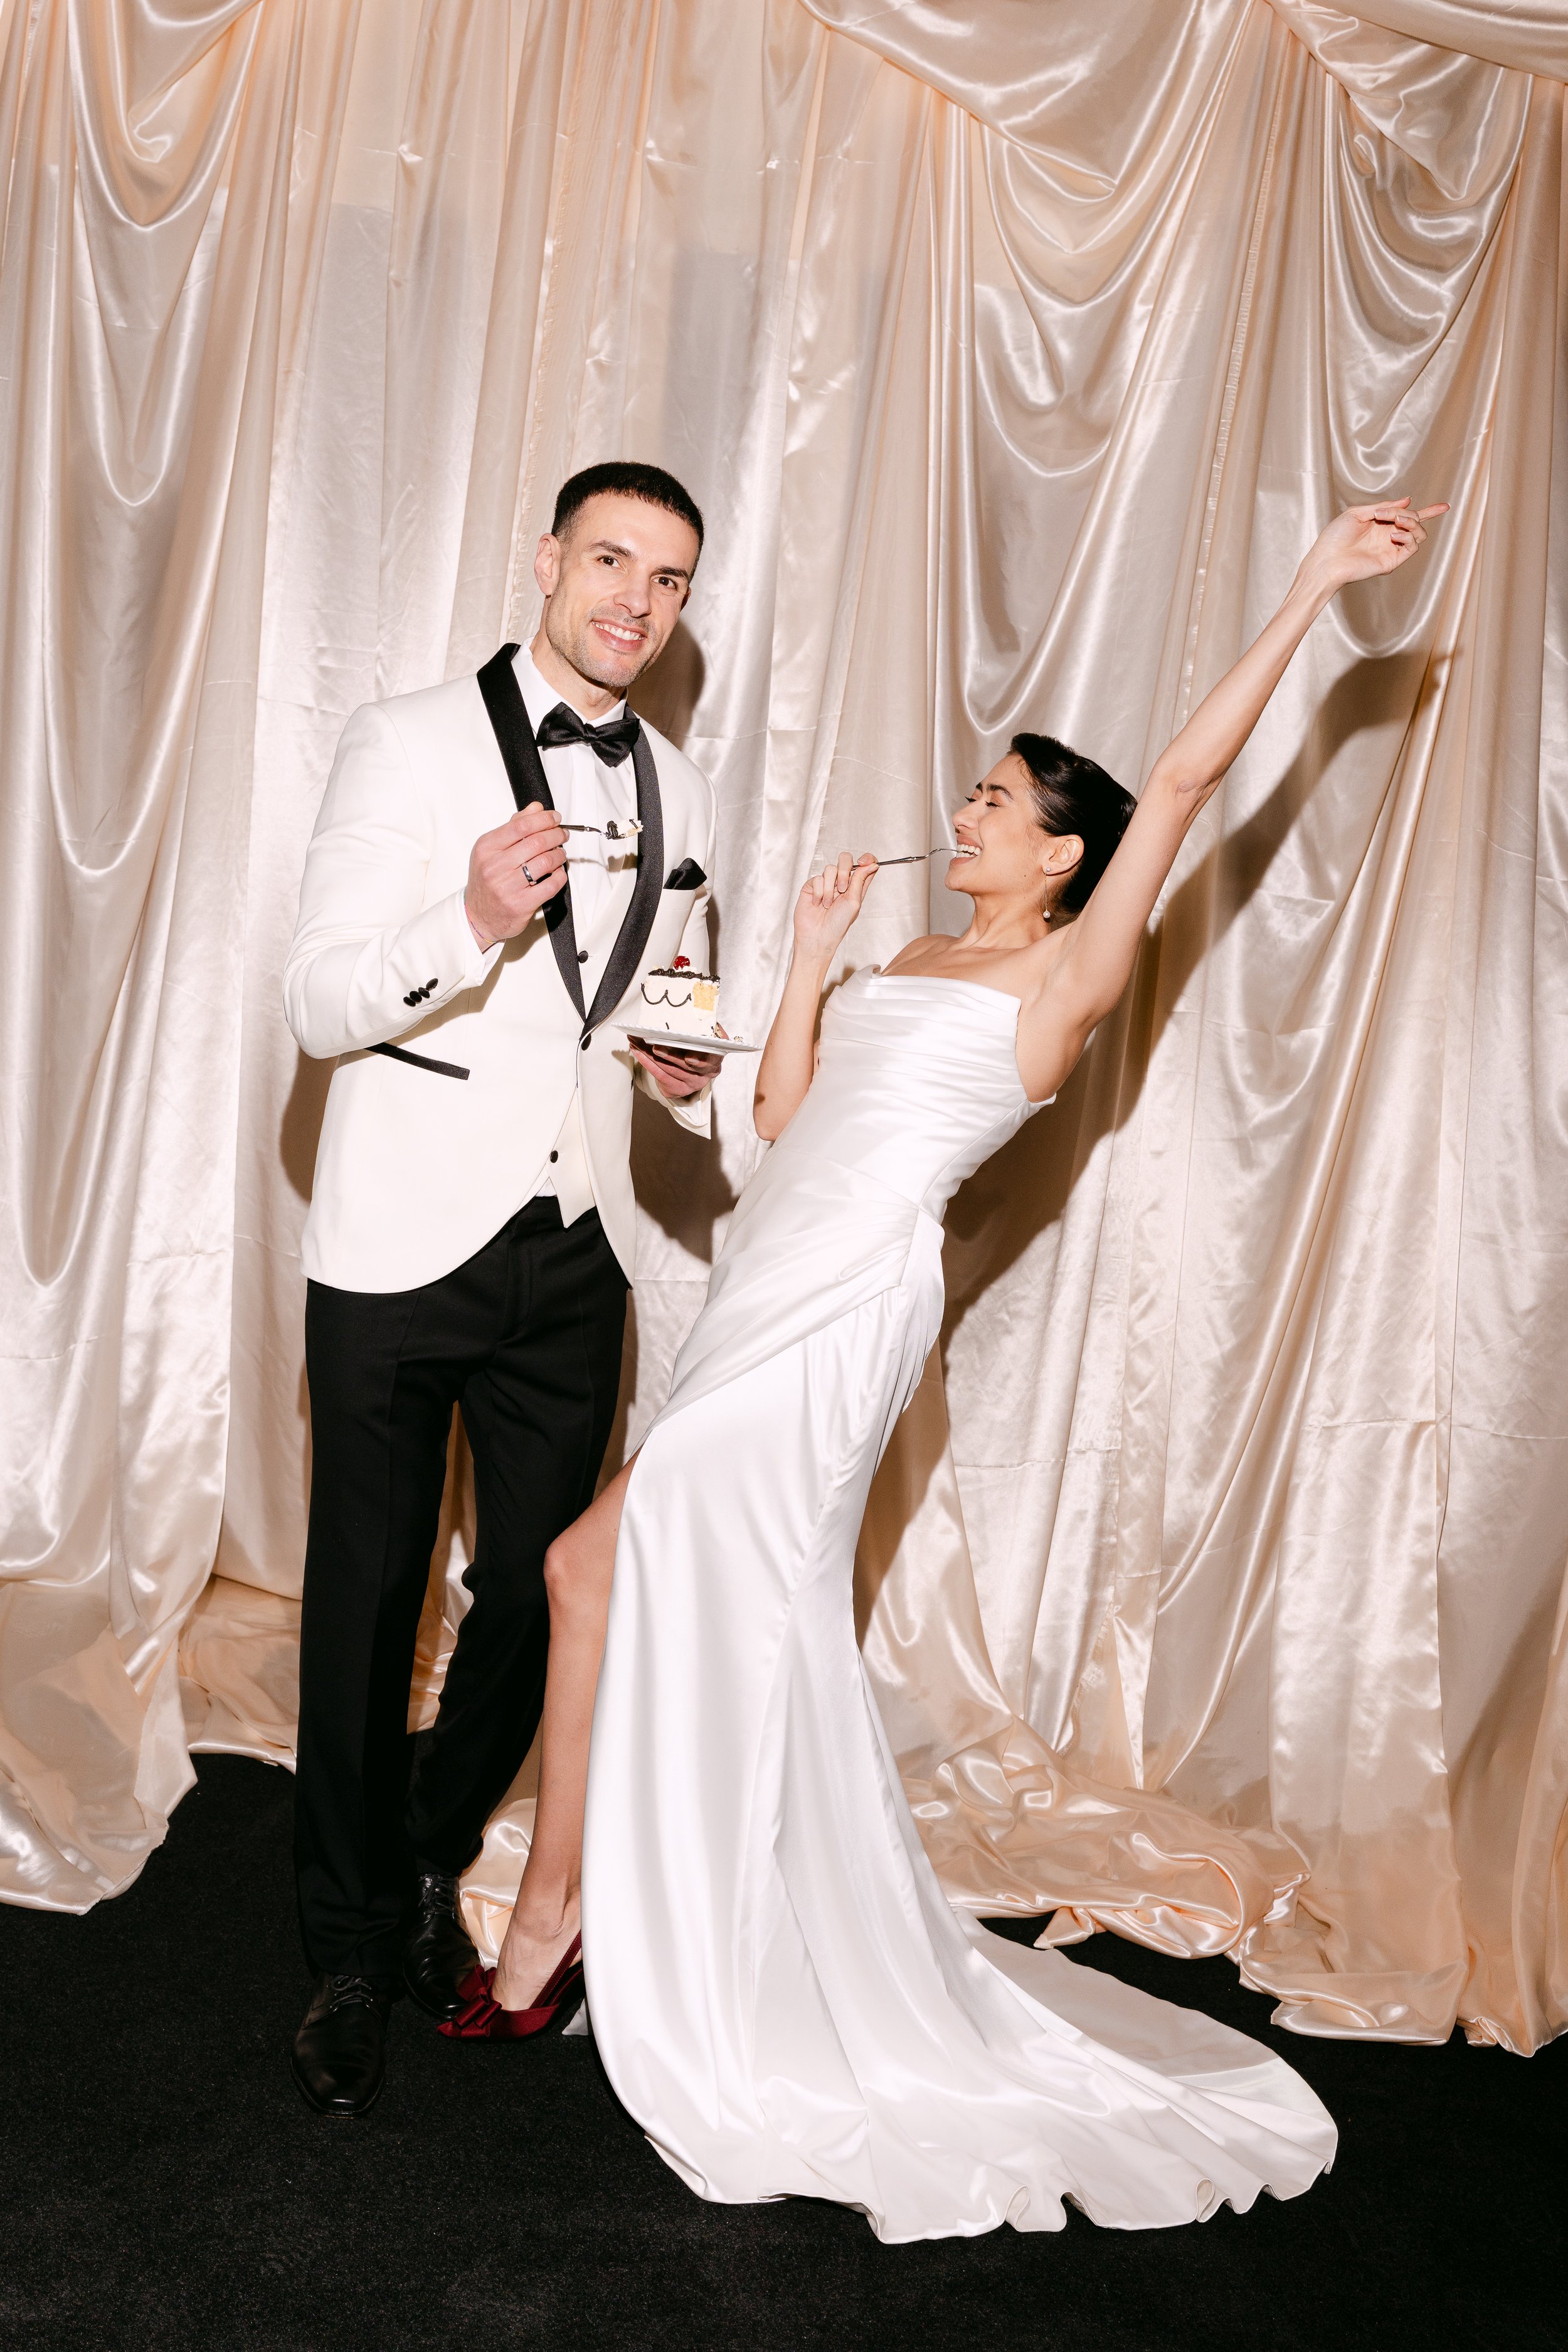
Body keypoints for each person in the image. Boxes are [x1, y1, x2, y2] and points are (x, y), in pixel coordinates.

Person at [447, 497, 1443, 2240]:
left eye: (999, 797)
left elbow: (1193, 792)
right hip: (772, 1281)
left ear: (1059, 853)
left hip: (849, 1318)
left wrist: (1304, 589)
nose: (966, 807)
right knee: (591, 1572)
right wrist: (816, 964)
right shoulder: (916, 955)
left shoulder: (1069, 972)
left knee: (610, 1571)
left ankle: (555, 1932)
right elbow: (775, 1127)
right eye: (976, 788)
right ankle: (583, 1914)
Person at [281, 461, 723, 2117]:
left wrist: (685, 1065)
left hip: (574, 1253)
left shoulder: (677, 780)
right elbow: (318, 1003)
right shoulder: (406, 738)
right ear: (547, 562)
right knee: (364, 1605)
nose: (635, 597)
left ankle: (416, 1861)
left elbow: (649, 1013)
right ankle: (341, 1948)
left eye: (669, 578)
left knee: (539, 1602)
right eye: (611, 558)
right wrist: (467, 911)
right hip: (400, 1239)